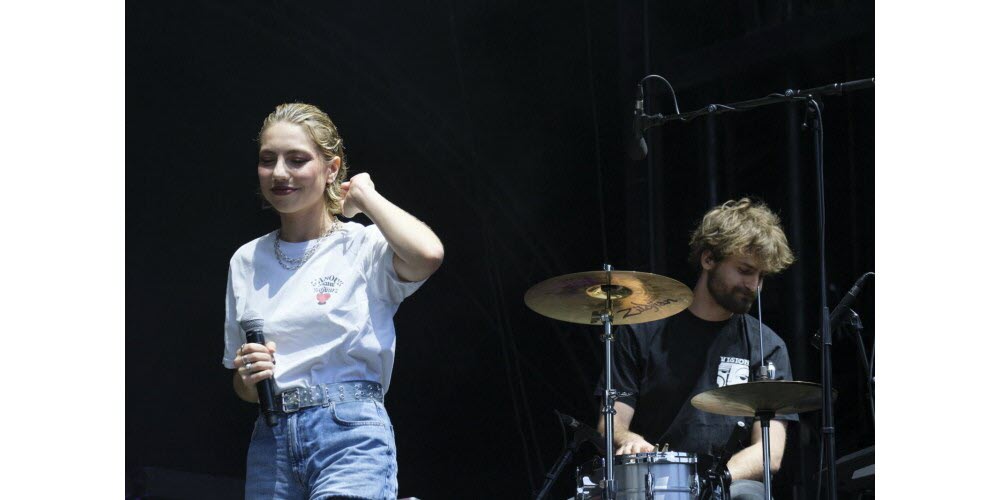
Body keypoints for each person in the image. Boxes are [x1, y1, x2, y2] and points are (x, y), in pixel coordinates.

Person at [222, 103, 444, 499]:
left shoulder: (364, 244)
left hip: (348, 431)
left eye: (297, 159)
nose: (279, 173)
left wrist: (365, 195)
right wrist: (247, 376)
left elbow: (427, 254)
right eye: (267, 159)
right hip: (271, 439)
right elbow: (242, 386)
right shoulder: (246, 259)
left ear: (330, 168)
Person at [597, 198, 796, 500]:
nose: (754, 285)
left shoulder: (768, 347)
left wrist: (716, 479)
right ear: (708, 260)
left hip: (729, 485)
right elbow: (610, 423)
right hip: (655, 482)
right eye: (744, 270)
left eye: (761, 276)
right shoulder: (642, 330)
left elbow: (771, 452)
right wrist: (629, 439)